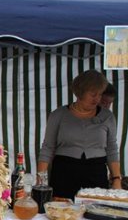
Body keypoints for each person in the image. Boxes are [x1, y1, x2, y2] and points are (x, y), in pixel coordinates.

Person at [37, 69, 122, 200]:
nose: (97, 99)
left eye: (99, 95)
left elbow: (111, 149)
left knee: (95, 213)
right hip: (64, 172)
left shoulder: (108, 117)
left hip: (96, 172)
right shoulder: (58, 115)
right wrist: (40, 180)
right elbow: (47, 148)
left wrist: (116, 179)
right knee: (61, 214)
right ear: (80, 93)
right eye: (93, 95)